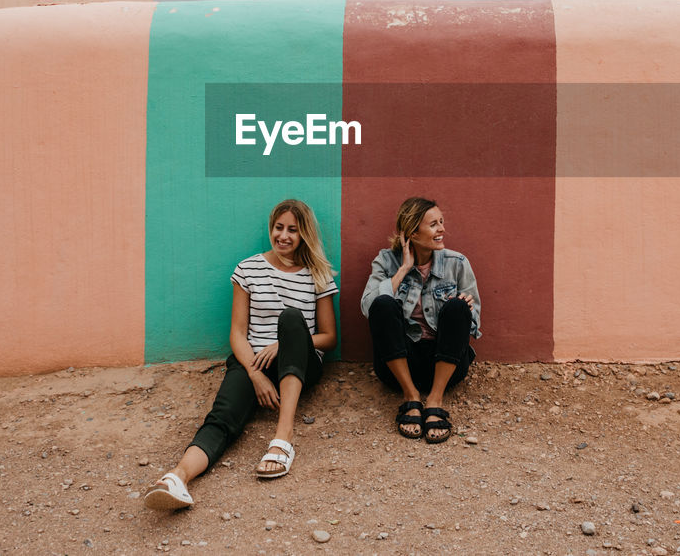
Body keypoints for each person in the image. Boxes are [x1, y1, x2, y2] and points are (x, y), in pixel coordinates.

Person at [144, 199, 338, 510]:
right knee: (222, 417)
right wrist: (254, 373)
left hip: (300, 363)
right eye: (279, 228)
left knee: (290, 319)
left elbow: (329, 337)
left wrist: (287, 343)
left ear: (304, 235)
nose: (284, 236)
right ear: (270, 229)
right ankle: (177, 478)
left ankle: (283, 439)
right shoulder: (248, 269)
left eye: (293, 230)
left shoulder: (317, 274)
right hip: (252, 360)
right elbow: (237, 332)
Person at [360, 197, 481, 444]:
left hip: (445, 364)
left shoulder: (457, 263)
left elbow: (474, 323)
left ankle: (435, 399)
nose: (442, 230)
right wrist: (404, 269)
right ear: (413, 233)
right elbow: (368, 308)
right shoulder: (386, 261)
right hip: (400, 364)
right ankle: (411, 396)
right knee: (382, 302)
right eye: (434, 224)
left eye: (441, 222)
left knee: (459, 306)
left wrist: (464, 310)